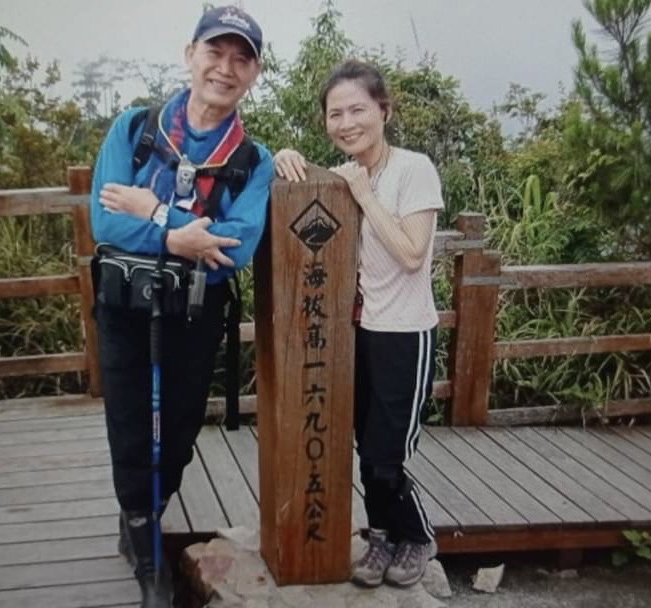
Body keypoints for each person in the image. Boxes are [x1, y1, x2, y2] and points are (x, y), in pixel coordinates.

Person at [90, 6, 273, 606]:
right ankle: (146, 549)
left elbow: (234, 247)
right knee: (129, 427)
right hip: (125, 309)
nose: (225, 68)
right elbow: (104, 222)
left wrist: (155, 212)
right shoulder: (136, 130)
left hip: (195, 316)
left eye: (241, 58)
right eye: (214, 52)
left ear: (254, 73)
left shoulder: (254, 160)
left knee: (180, 432)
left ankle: (145, 517)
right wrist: (177, 239)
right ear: (189, 54)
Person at [274, 60, 442, 589]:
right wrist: (284, 158)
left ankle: (416, 536)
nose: (346, 123)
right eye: (335, 114)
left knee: (384, 455)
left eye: (357, 110)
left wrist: (364, 193)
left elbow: (412, 255)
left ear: (383, 111)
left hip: (405, 335)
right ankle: (381, 535)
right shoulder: (341, 177)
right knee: (363, 449)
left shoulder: (413, 170)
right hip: (356, 336)